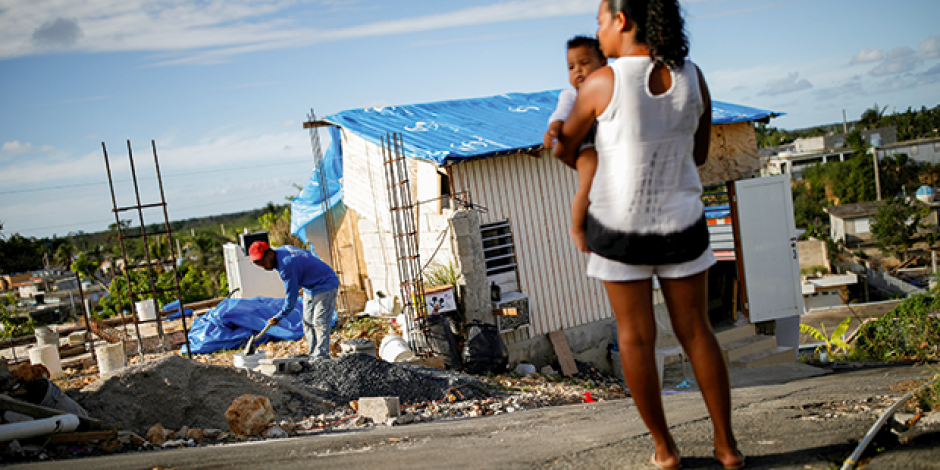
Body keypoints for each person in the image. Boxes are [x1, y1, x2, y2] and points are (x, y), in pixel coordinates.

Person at [552, 1, 744, 469]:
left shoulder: (603, 81)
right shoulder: (693, 75)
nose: (598, 34)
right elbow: (699, 155)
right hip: (682, 223)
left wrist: (562, 136)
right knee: (697, 332)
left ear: (622, 20)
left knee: (636, 338)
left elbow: (566, 149)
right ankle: (727, 447)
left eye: (601, 21)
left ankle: (665, 449)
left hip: (620, 229)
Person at [542, 35, 607, 253]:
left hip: (610, 144)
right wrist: (554, 129)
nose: (577, 70)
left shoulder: (610, 88)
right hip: (588, 145)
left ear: (603, 64)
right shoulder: (571, 95)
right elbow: (560, 113)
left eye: (584, 63)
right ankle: (578, 227)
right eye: (571, 67)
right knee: (587, 185)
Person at [249, 241, 339, 361]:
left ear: (270, 253)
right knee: (307, 322)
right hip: (310, 287)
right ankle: (314, 355)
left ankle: (322, 358)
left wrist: (279, 317)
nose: (264, 267)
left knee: (319, 322)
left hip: (325, 283)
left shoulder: (286, 265)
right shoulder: (283, 250)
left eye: (263, 263)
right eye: (260, 265)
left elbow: (291, 297)